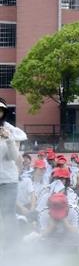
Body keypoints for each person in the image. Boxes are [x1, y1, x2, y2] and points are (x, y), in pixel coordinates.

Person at [0, 99, 24, 232]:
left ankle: (12, 248)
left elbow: (14, 158)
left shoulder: (12, 131)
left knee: (8, 214)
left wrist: (8, 139)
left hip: (8, 181)